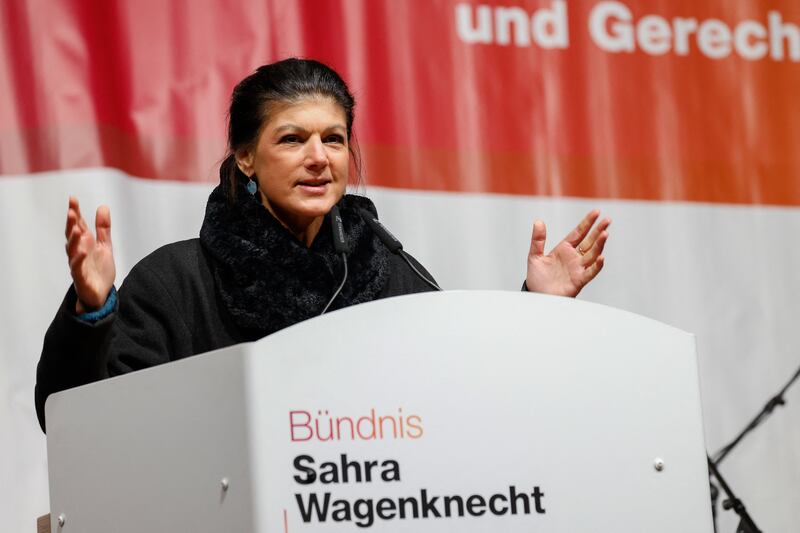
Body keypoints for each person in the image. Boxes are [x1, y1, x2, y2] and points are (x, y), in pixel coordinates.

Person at [34, 58, 610, 432]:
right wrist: (93, 311)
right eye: (292, 138)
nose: (319, 157)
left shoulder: (388, 270)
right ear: (245, 156)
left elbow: (462, 396)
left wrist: (538, 307)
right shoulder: (177, 281)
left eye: (334, 139)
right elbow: (81, 426)